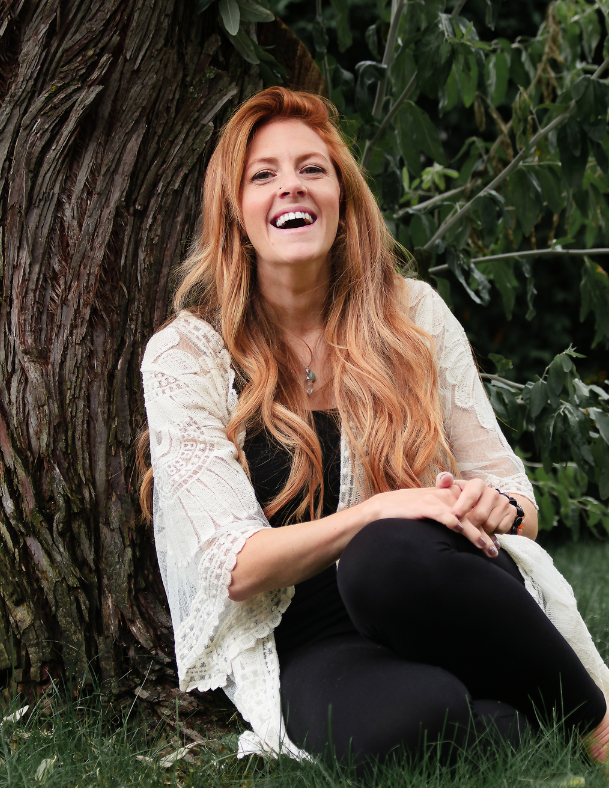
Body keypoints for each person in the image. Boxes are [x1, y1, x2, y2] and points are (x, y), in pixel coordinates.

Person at [139, 86, 609, 768]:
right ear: (234, 213)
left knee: (383, 555)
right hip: (314, 635)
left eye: (312, 169)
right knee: (405, 722)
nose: (291, 186)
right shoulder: (187, 355)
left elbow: (519, 502)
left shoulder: (414, 315)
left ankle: (597, 723)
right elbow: (235, 567)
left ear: (341, 199)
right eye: (263, 175)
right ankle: (512, 711)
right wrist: (381, 507)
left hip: (432, 583)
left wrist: (492, 505)